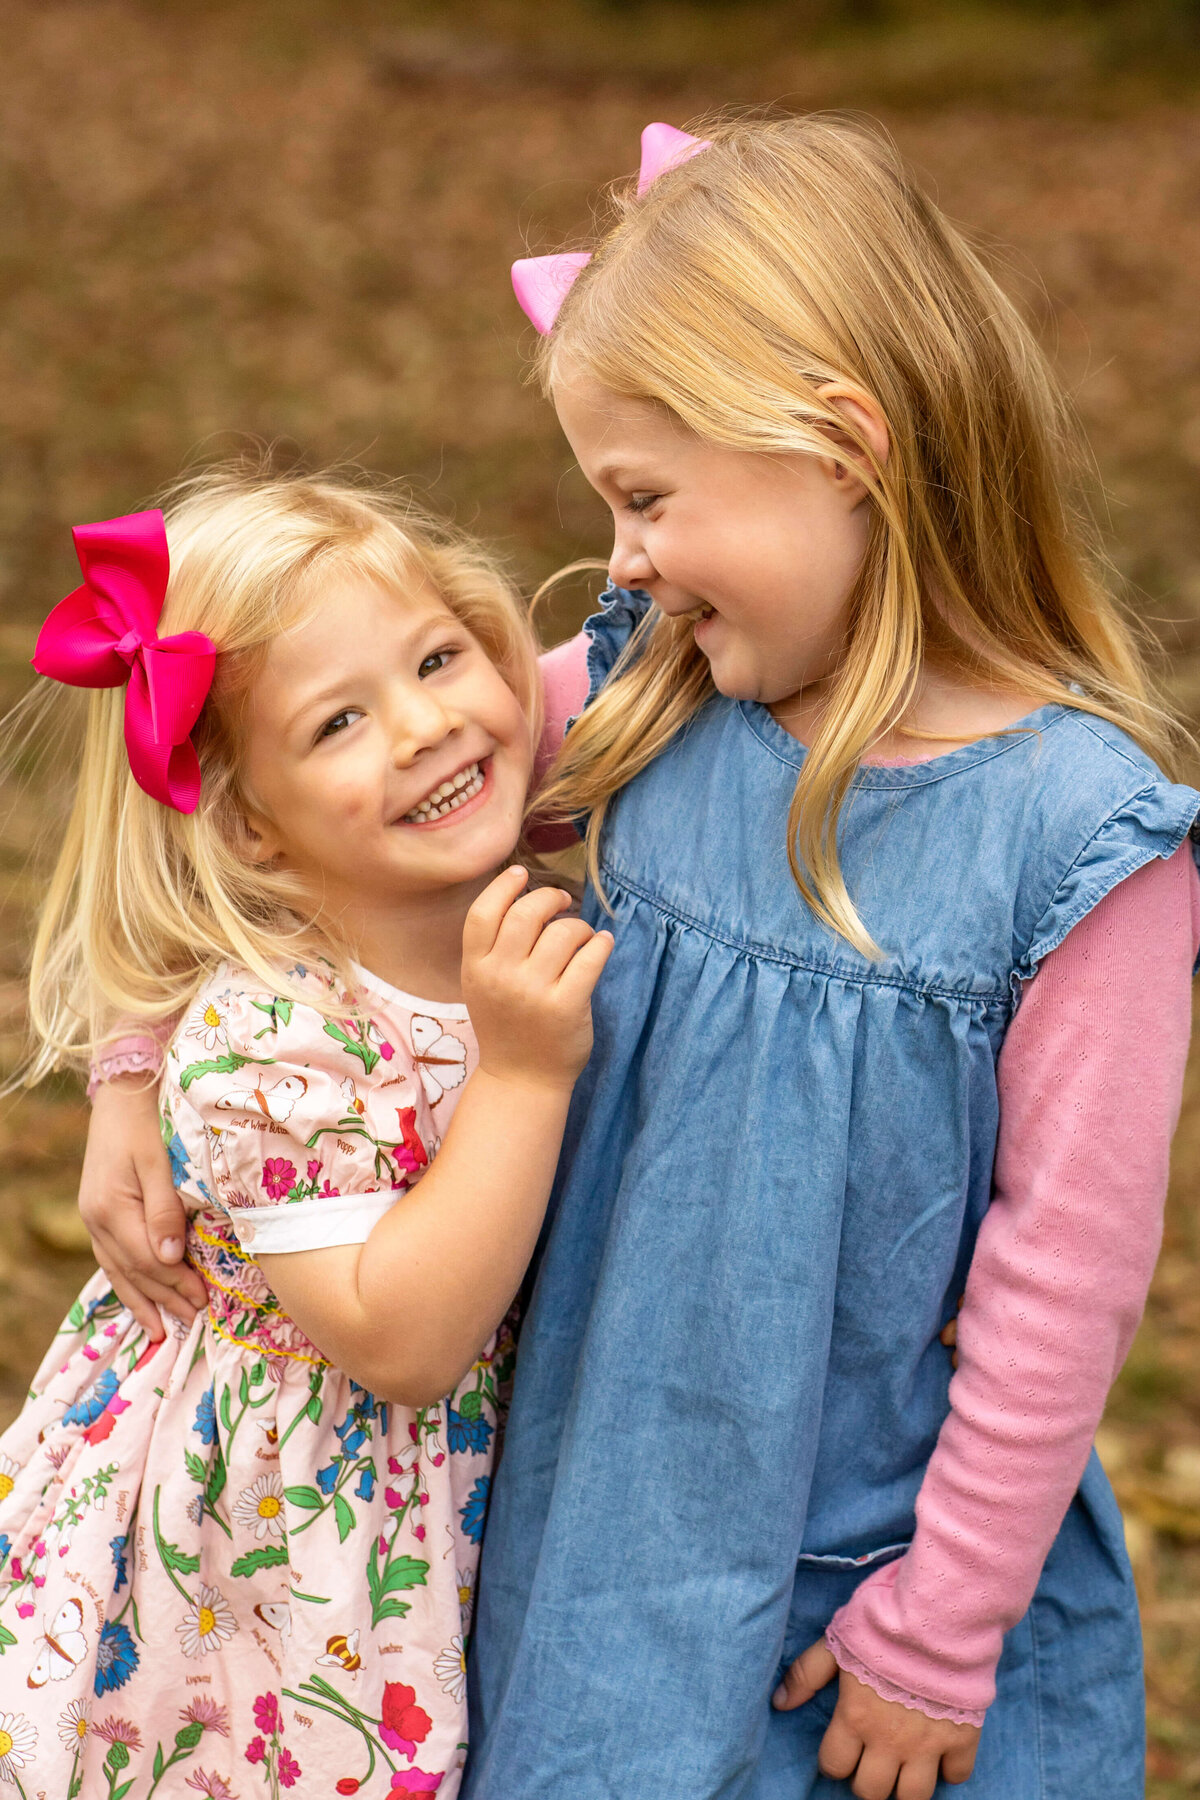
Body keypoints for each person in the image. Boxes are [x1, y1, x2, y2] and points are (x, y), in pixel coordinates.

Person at [74, 117, 1199, 1799]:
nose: (622, 559)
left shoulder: (1087, 844)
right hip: (591, 1534)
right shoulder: (644, 699)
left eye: (646, 498)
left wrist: (941, 1630)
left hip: (865, 1592)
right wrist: (137, 1062)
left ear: (840, 445)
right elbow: (300, 824)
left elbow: (1066, 1290)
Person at [0, 472, 611, 1798]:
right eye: (338, 721)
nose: (425, 725)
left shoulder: (511, 779)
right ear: (247, 821)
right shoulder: (271, 1044)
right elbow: (401, 1342)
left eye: (439, 656)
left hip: (478, 1485)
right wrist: (519, 1074)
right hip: (284, 1556)